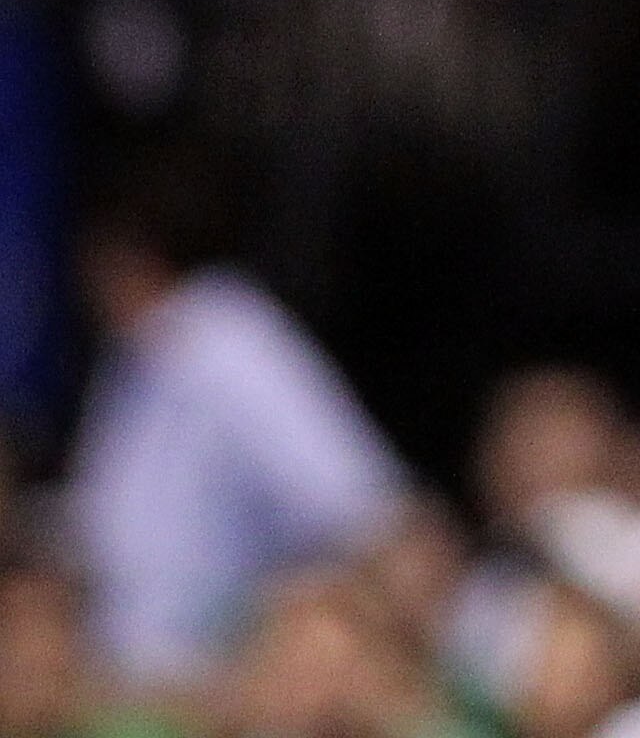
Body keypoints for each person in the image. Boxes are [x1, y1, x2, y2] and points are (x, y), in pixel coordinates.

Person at [62, 145, 408, 687]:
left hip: (210, 688)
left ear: (130, 254)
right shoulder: (129, 362)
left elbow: (362, 508)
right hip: (120, 686)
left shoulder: (230, 340)